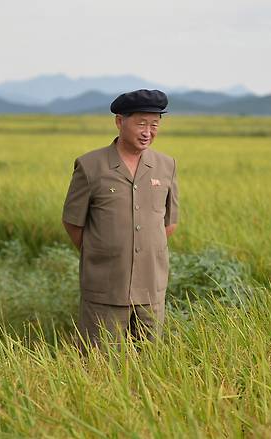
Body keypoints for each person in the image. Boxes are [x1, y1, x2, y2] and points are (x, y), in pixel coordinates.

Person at [62, 89, 179, 349]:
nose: (148, 131)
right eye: (141, 123)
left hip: (151, 288)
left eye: (154, 124)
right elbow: (73, 223)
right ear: (119, 121)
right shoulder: (91, 165)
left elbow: (169, 224)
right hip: (105, 287)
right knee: (99, 364)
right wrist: (104, 251)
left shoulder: (166, 165)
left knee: (150, 364)